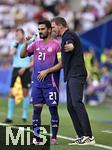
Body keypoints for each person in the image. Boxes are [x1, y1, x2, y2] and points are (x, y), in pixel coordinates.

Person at [51, 17, 95, 145]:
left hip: (77, 74)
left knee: (76, 103)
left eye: (54, 27)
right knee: (71, 106)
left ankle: (88, 136)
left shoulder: (68, 35)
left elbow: (71, 43)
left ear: (60, 26)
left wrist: (70, 46)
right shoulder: (64, 37)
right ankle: (82, 135)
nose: (53, 29)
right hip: (71, 75)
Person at [20, 20, 62, 145]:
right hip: (37, 84)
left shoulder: (56, 45)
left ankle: (54, 137)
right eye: (39, 29)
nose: (40, 31)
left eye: (42, 29)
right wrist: (26, 42)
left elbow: (61, 63)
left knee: (53, 110)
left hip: (51, 83)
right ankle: (36, 138)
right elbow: (22, 55)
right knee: (36, 111)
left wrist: (47, 71)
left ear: (49, 30)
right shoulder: (36, 44)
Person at [4, 28, 33, 123]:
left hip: (26, 69)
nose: (18, 36)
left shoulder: (29, 45)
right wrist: (16, 44)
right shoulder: (14, 43)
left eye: (19, 34)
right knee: (12, 93)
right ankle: (9, 117)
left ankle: (24, 115)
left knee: (25, 92)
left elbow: (33, 61)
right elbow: (11, 53)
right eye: (16, 35)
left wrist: (25, 68)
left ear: (23, 35)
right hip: (16, 69)